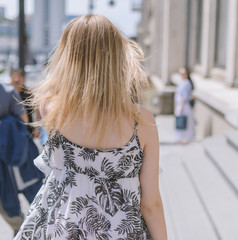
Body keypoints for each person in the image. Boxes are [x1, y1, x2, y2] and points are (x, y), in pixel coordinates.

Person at [14, 14, 167, 240]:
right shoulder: (141, 121)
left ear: (67, 56)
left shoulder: (50, 107)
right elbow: (150, 204)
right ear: (118, 58)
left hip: (60, 228)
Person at [0, 83, 44, 237]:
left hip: (7, 160)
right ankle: (37, 229)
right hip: (19, 151)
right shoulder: (8, 90)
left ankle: (19, 229)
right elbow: (24, 119)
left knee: (6, 200)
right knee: (37, 198)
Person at [10, 69, 41, 138]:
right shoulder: (8, 93)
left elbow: (36, 110)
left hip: (27, 132)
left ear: (23, 78)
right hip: (10, 131)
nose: (16, 79)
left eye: (19, 76)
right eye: (14, 76)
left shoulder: (29, 93)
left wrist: (37, 127)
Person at [174, 67, 195, 143]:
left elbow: (184, 96)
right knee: (181, 121)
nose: (182, 75)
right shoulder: (183, 82)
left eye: (183, 74)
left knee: (185, 121)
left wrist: (181, 106)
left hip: (184, 105)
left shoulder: (186, 83)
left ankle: (186, 138)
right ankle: (181, 137)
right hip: (180, 104)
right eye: (181, 74)